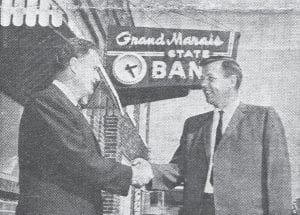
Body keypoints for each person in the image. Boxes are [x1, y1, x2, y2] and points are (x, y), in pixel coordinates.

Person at [134, 57, 292, 215]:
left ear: (231, 81)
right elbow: (179, 169)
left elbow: (278, 178)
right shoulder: (194, 125)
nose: (203, 85)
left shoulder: (263, 118)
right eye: (203, 79)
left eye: (210, 79)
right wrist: (149, 170)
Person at [16, 38, 153, 215]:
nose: (98, 78)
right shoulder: (47, 101)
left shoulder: (64, 105)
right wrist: (132, 174)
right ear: (74, 65)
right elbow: (80, 160)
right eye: (95, 69)